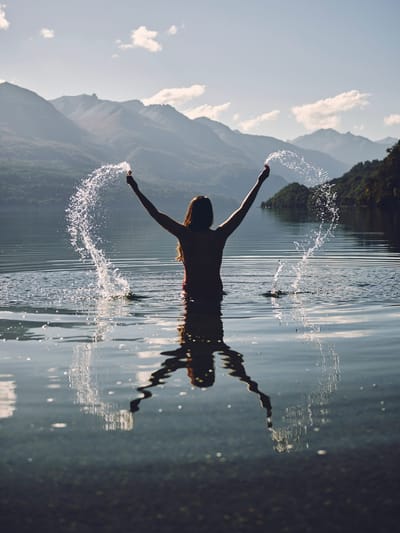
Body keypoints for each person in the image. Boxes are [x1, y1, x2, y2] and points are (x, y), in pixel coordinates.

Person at [126, 165, 270, 299]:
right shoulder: (219, 236)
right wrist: (260, 182)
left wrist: (135, 189)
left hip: (191, 293)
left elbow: (155, 213)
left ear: (190, 214)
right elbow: (243, 210)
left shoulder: (184, 235)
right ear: (210, 215)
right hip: (214, 293)